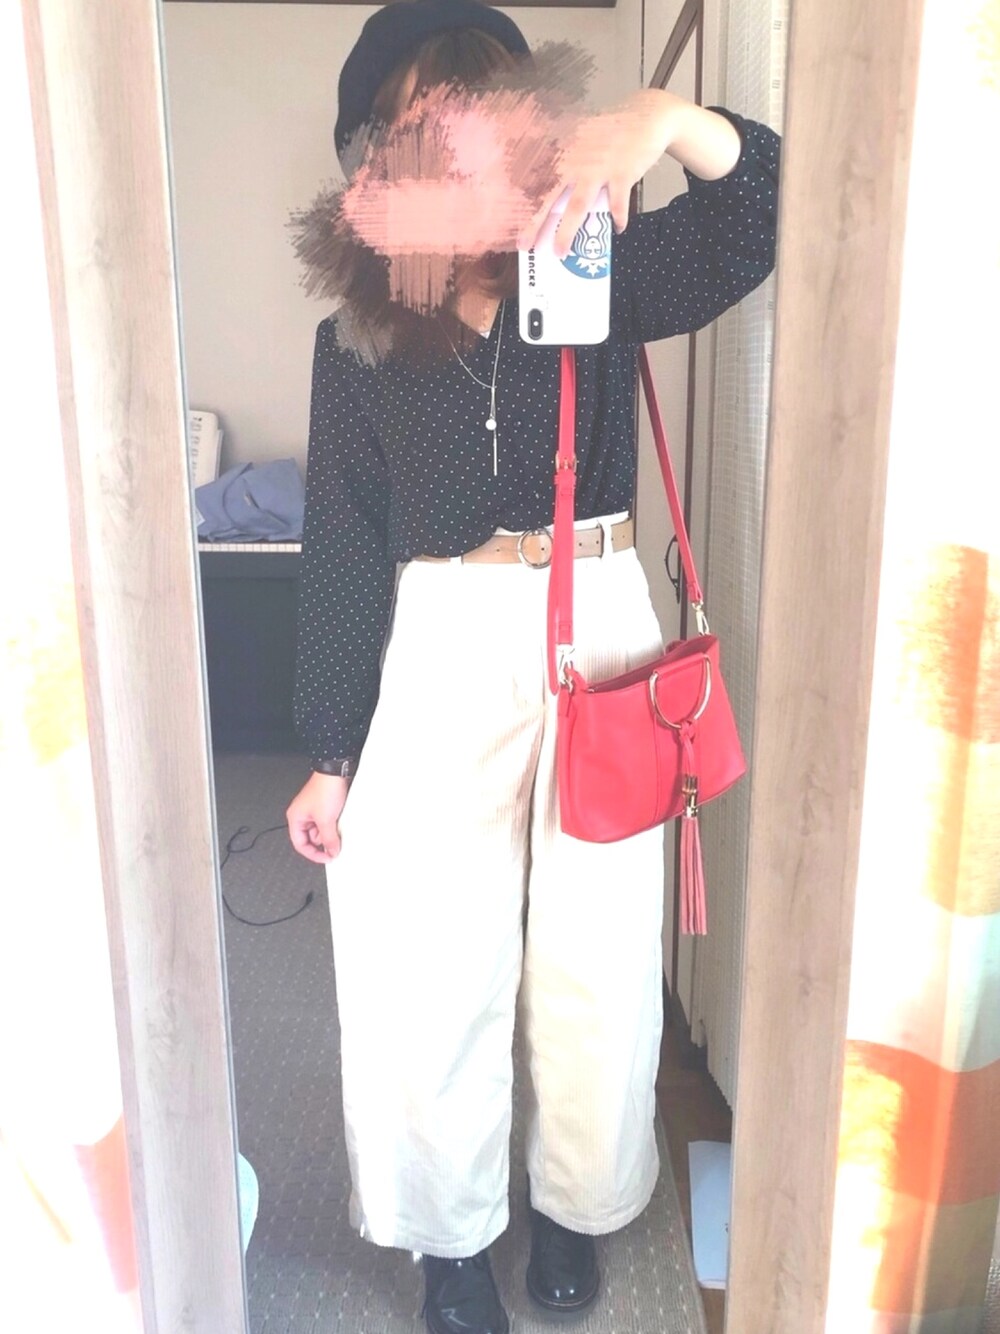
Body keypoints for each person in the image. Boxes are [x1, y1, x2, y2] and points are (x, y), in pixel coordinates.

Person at [285, 3, 781, 1332]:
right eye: (422, 122)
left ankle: (574, 1200)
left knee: (597, 949)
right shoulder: (357, 338)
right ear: (379, 152)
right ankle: (448, 1235)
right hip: (440, 634)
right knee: (424, 951)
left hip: (598, 617)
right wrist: (330, 748)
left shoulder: (593, 267)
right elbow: (345, 539)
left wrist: (668, 121)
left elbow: (758, 216)